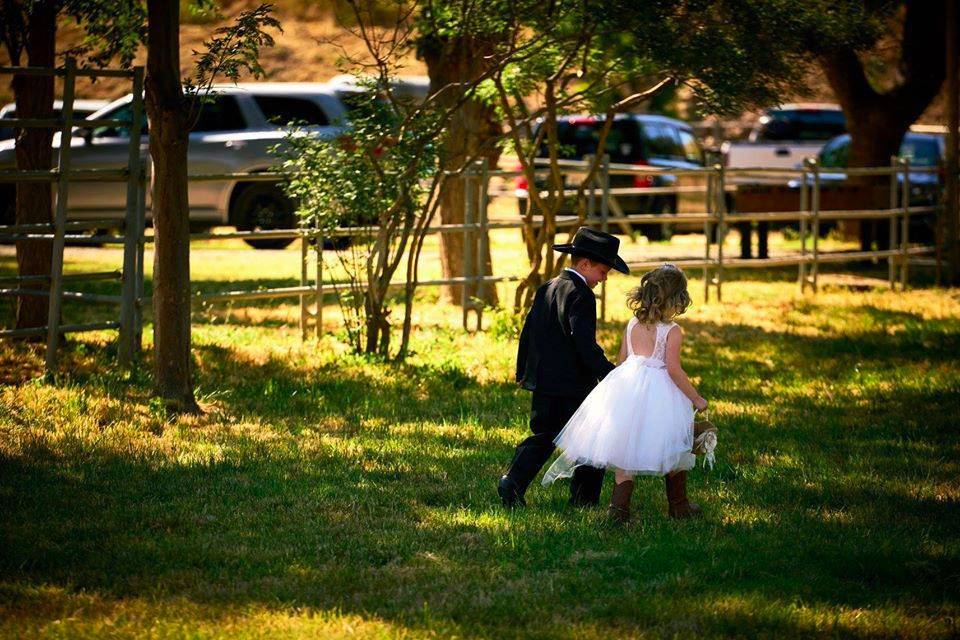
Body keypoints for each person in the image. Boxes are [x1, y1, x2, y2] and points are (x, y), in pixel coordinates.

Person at [541, 264, 707, 524]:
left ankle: (618, 512)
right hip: (659, 396)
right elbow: (674, 370)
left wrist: (619, 392)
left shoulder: (632, 324)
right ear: (677, 299)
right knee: (673, 445)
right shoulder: (672, 331)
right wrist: (696, 398)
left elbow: (621, 361)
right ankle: (679, 505)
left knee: (626, 453)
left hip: (627, 389)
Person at [497, 227, 629, 509]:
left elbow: (528, 332)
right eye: (603, 271)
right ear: (585, 264)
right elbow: (583, 342)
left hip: (545, 380)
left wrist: (524, 371)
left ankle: (512, 480)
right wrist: (608, 373)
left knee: (543, 435)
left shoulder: (549, 286)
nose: (604, 279)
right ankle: (584, 499)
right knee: (593, 437)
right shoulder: (582, 295)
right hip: (572, 383)